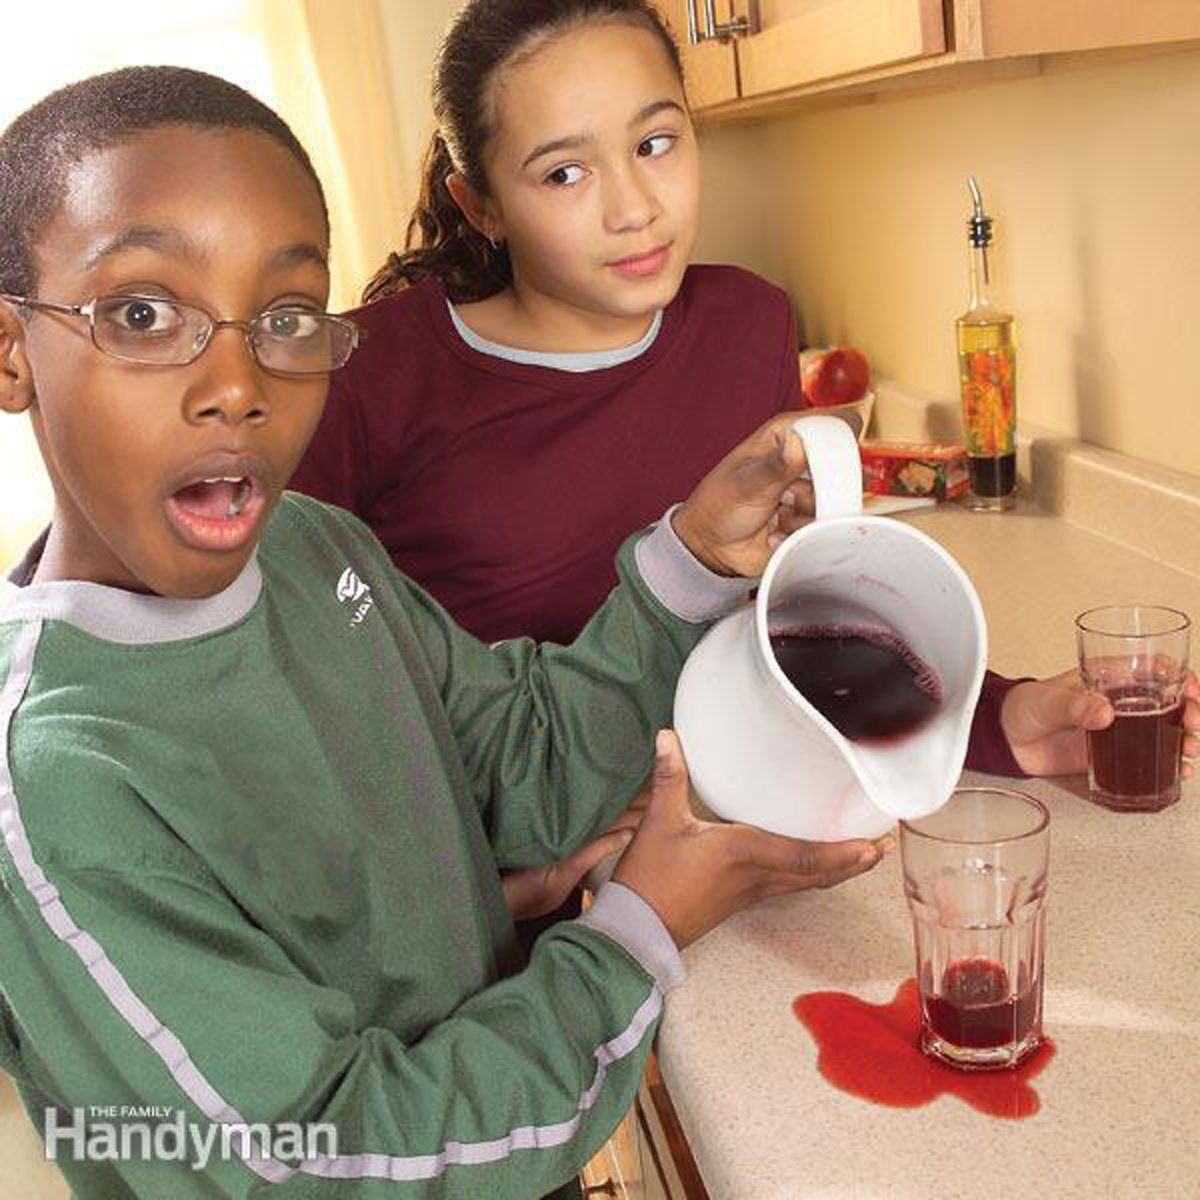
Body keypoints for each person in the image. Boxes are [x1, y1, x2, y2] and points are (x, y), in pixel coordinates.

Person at [0, 67, 891, 1200]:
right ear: (12, 352)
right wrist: (636, 935)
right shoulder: (58, 779)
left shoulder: (314, 550)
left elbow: (524, 769)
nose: (237, 385)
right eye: (141, 314)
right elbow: (318, 1163)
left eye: (285, 317)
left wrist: (698, 553)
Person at [291, 0, 1199, 925]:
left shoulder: (746, 323)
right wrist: (483, 876)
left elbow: (789, 614)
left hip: (722, 857)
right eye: (565, 172)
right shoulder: (362, 376)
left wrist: (997, 721)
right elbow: (308, 692)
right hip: (517, 907)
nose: (635, 207)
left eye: (655, 144)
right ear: (477, 201)